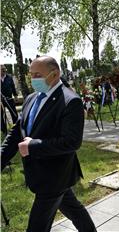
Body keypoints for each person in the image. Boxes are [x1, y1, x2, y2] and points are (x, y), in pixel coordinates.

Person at [1, 56, 96, 232]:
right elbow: (17, 131)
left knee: (37, 227)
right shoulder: (31, 98)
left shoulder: (70, 101)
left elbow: (72, 142)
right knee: (73, 209)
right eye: (31, 75)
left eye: (38, 74)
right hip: (42, 174)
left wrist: (32, 146)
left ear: (55, 74)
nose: (33, 79)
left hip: (54, 175)